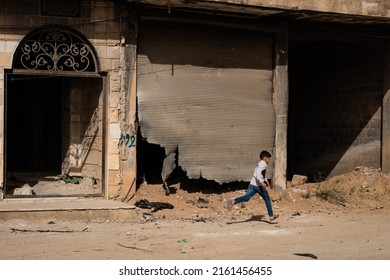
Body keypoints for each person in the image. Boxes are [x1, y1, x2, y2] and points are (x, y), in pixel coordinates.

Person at [226, 150, 279, 222]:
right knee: (267, 199)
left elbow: (261, 173)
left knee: (247, 197)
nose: (269, 160)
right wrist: (262, 182)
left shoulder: (259, 163)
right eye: (269, 159)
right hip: (258, 186)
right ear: (265, 158)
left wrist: (266, 180)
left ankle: (232, 201)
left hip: (252, 184)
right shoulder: (263, 164)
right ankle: (271, 215)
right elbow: (258, 173)